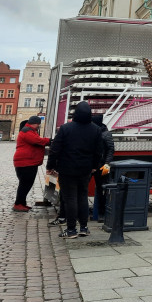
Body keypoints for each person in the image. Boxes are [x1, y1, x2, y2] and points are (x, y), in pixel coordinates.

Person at [46, 102, 104, 239]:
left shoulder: (66, 128)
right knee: (82, 197)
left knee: (70, 197)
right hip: (85, 169)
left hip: (67, 168)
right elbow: (98, 151)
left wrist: (50, 166)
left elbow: (55, 149)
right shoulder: (96, 129)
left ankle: (71, 229)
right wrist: (94, 166)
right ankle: (84, 227)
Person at [13, 116, 50, 211]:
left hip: (28, 162)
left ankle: (21, 203)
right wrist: (49, 141)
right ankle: (18, 204)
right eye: (39, 124)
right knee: (25, 184)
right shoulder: (27, 131)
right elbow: (37, 141)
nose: (39, 126)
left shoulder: (29, 130)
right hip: (26, 162)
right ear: (36, 123)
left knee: (26, 183)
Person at [90, 114, 115, 219]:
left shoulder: (105, 134)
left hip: (100, 166)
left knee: (102, 190)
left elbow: (110, 149)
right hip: (92, 165)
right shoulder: (94, 131)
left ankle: (101, 213)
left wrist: (107, 163)